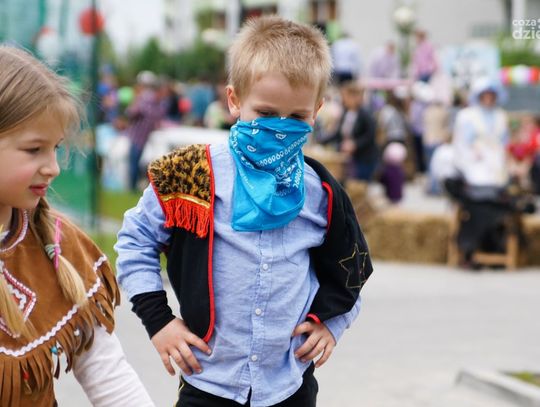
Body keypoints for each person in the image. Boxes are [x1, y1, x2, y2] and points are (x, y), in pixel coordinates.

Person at [115, 15, 373, 407]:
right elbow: (135, 242)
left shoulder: (321, 193)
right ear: (234, 100)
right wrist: (158, 321)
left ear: (316, 111)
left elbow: (351, 270)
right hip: (208, 382)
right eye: (266, 113)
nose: (279, 128)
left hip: (289, 386)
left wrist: (332, 324)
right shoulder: (190, 174)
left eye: (296, 117)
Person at [0, 46, 154, 406]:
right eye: (34, 149)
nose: (53, 167)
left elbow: (110, 377)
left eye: (55, 148)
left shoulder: (59, 244)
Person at [322, 81, 379, 181]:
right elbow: (338, 134)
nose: (343, 99)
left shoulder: (365, 114)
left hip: (363, 158)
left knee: (359, 184)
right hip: (347, 158)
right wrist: (322, 140)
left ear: (355, 97)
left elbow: (370, 135)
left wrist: (355, 144)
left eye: (346, 96)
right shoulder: (346, 112)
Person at [125, 70, 166, 191]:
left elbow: (132, 112)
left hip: (141, 137)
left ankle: (133, 186)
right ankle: (132, 187)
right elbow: (132, 113)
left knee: (136, 162)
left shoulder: (149, 101)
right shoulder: (147, 100)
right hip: (138, 137)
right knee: (134, 162)